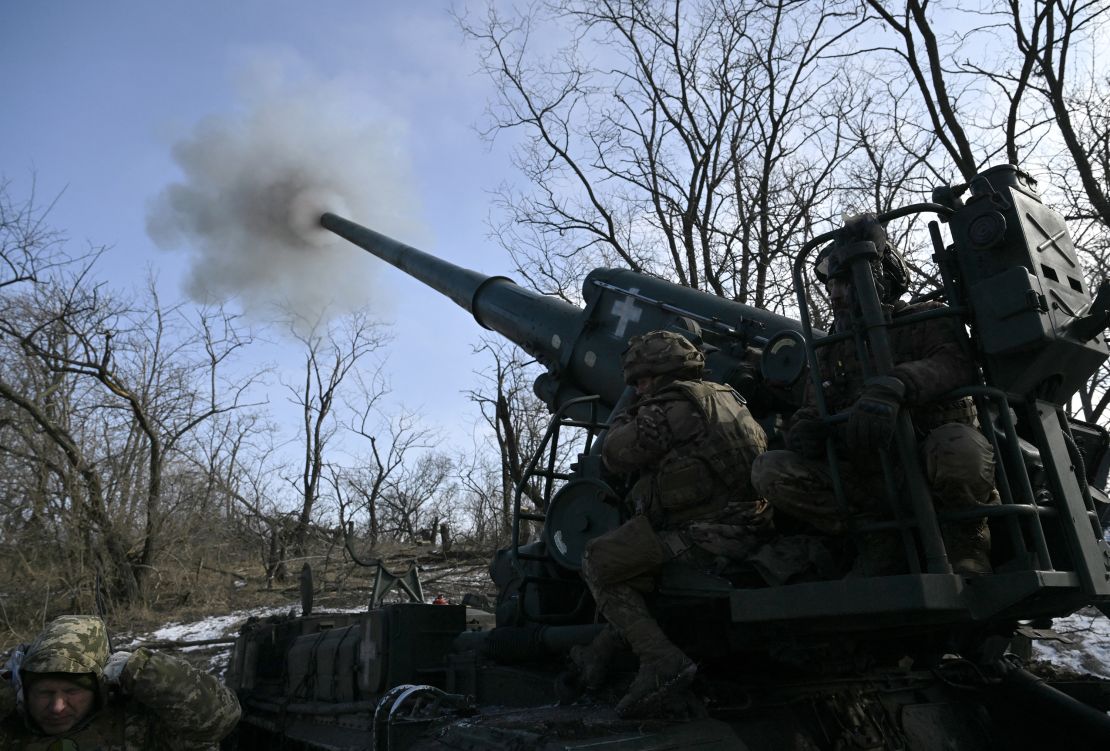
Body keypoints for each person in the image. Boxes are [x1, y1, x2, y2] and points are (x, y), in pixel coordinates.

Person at [751, 214, 997, 576]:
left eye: (846, 282)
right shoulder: (829, 349)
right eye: (831, 285)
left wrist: (898, 384)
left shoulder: (926, 318)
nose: (834, 294)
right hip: (869, 480)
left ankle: (968, 540)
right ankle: (878, 542)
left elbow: (955, 363)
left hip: (928, 463)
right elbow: (810, 407)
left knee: (958, 446)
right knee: (769, 468)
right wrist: (805, 432)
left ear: (885, 280)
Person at [572, 329, 768, 718]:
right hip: (751, 526)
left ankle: (662, 661)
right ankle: (602, 653)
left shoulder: (670, 407)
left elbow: (614, 455)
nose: (639, 388)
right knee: (636, 565)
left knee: (599, 561)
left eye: (642, 380)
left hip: (707, 536)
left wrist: (623, 413)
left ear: (663, 372)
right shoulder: (731, 398)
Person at [0, 614, 241, 750]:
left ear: (100, 687)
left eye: (72, 691)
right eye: (44, 692)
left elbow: (219, 719)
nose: (57, 706)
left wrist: (142, 670)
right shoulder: (9, 728)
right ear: (22, 691)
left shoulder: (139, 727)